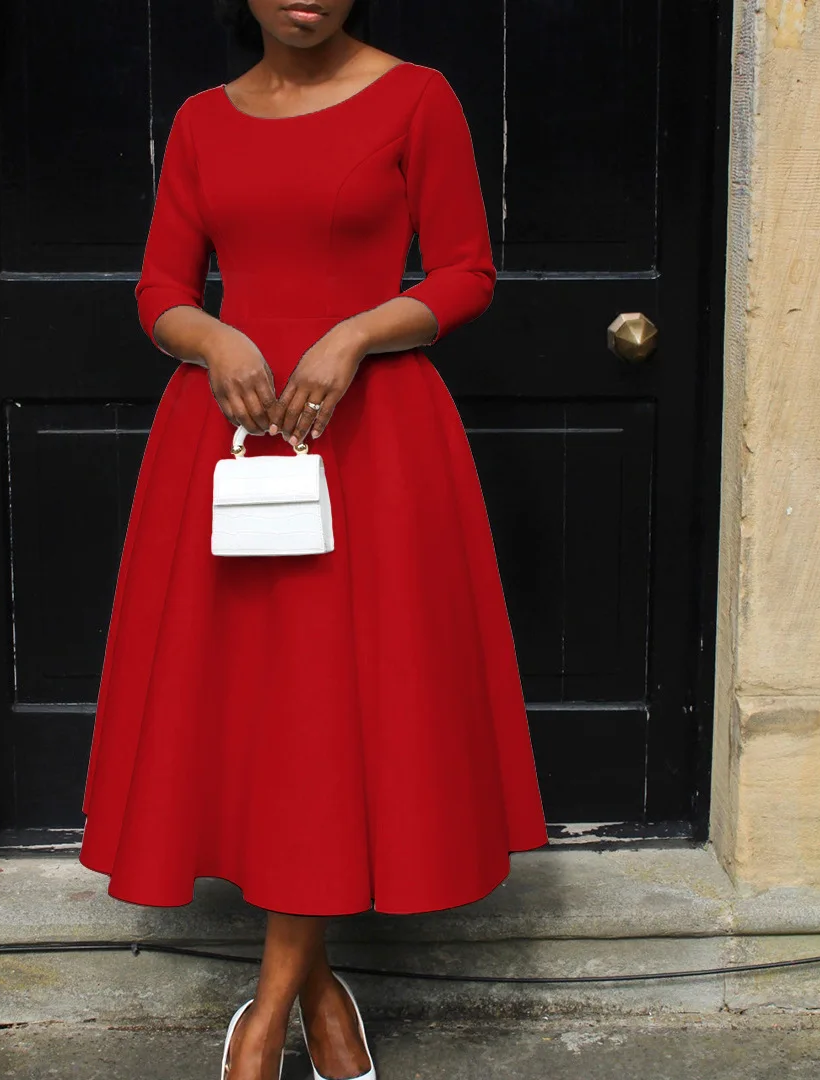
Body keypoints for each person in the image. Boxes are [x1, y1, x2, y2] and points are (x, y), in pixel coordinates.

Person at [78, 2, 549, 1077]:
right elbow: (159, 289)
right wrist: (212, 337)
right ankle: (320, 997)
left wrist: (356, 332)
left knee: (341, 706)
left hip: (376, 443)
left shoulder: (419, 97)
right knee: (271, 713)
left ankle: (264, 1025)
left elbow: (467, 272)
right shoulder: (201, 119)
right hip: (230, 443)